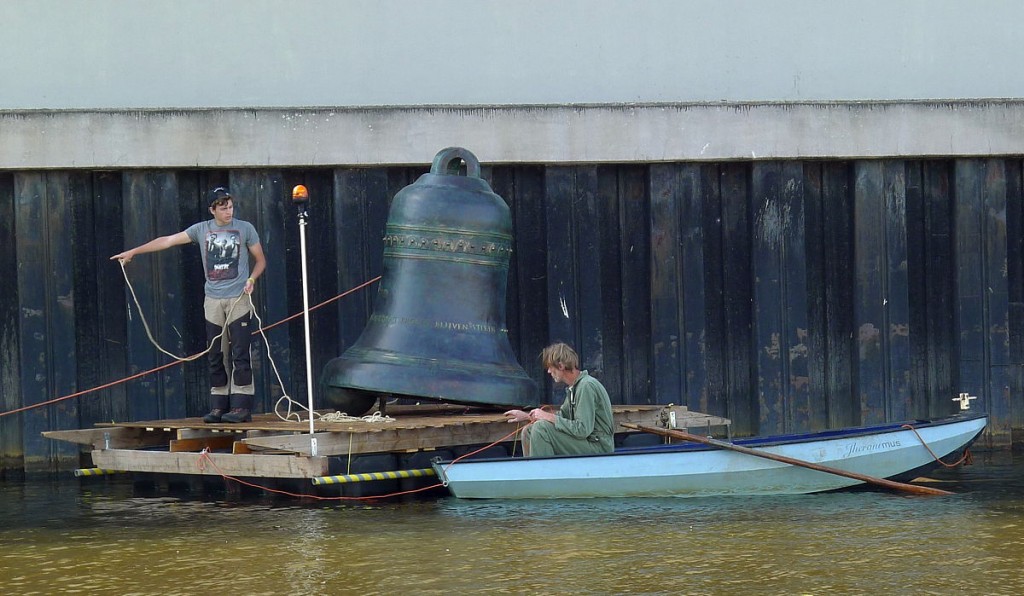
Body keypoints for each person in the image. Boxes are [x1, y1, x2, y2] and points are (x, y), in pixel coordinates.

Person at [111, 187, 266, 424]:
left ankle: (241, 406)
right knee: (216, 353)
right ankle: (218, 405)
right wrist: (134, 251)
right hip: (212, 299)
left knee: (240, 353)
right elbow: (168, 241)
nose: (228, 211)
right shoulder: (201, 229)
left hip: (238, 297)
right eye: (223, 207)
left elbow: (260, 260)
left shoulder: (245, 229)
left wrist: (252, 279)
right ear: (212, 209)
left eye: (231, 206)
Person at [504, 342, 614, 457]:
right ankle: (533, 472)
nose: (549, 371)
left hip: (599, 447)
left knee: (541, 429)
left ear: (561, 366)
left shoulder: (586, 386)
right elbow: (562, 416)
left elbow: (582, 429)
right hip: (586, 442)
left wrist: (547, 416)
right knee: (528, 431)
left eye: (550, 367)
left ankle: (546, 473)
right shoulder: (574, 387)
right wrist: (527, 416)